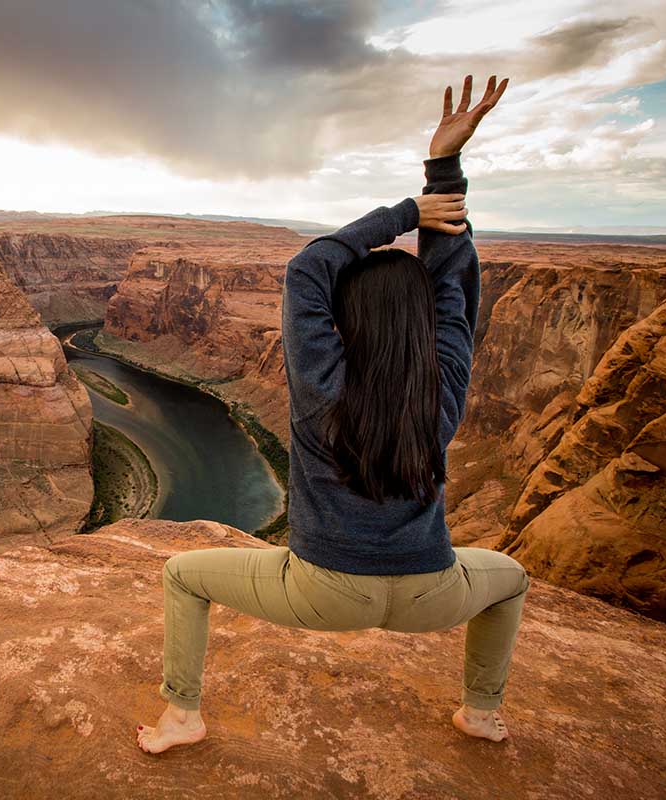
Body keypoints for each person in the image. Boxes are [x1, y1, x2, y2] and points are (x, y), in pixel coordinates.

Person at [136, 75, 527, 754]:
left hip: (322, 590)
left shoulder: (321, 384)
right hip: (429, 591)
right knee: (509, 580)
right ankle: (483, 713)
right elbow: (453, 283)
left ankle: (182, 717)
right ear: (422, 322)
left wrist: (412, 207)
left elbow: (308, 269)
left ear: (347, 318)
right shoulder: (446, 385)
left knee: (182, 575)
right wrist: (446, 171)